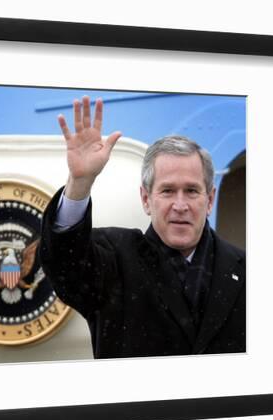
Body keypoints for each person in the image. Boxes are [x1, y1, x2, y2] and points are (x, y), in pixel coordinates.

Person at [39, 96, 245, 358]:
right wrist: (80, 182)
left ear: (210, 200)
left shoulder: (249, 270)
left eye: (191, 191)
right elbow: (64, 265)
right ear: (146, 199)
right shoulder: (113, 260)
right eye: (168, 191)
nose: (180, 205)